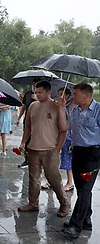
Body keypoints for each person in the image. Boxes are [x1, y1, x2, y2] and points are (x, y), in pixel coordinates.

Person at [17, 80, 70, 218]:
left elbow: (64, 130)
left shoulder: (57, 106)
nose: (37, 94)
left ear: (48, 92)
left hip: (50, 149)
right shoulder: (32, 106)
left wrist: (58, 148)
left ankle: (64, 203)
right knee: (33, 178)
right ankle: (33, 203)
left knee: (53, 178)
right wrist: (23, 142)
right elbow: (28, 127)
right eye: (36, 92)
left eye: (40, 92)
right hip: (33, 148)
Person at [59, 83, 100, 239]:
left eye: (75, 94)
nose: (72, 96)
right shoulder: (75, 110)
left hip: (93, 154)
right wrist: (61, 108)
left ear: (87, 95)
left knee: (84, 189)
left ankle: (75, 226)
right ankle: (86, 220)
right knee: (81, 187)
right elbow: (64, 126)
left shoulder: (98, 110)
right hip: (78, 152)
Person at [15, 79, 39, 168]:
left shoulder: (41, 96)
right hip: (27, 120)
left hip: (38, 122)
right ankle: (27, 159)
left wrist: (37, 99)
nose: (34, 86)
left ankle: (35, 161)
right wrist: (19, 118)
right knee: (26, 139)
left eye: (36, 84)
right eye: (33, 84)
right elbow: (24, 106)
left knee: (36, 141)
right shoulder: (28, 94)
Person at [57, 88, 75, 192]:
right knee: (56, 158)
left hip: (69, 135)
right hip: (59, 134)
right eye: (58, 94)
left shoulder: (72, 105)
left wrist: (63, 108)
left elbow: (71, 119)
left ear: (68, 95)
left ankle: (70, 182)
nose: (60, 96)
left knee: (68, 158)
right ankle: (53, 180)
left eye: (62, 94)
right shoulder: (58, 104)